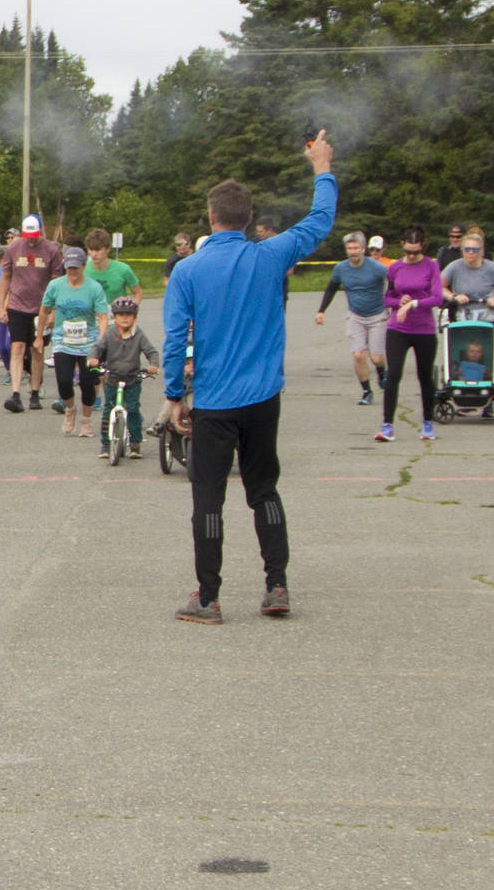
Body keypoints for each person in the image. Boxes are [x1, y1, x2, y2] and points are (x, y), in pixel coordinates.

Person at [162, 131, 335, 624]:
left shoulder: (188, 271)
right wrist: (321, 165)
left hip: (214, 402)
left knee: (208, 499)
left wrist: (176, 393)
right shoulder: (271, 254)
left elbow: (175, 341)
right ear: (248, 218)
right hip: (263, 398)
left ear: (211, 217)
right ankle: (276, 585)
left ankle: (209, 597)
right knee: (263, 490)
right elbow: (320, 220)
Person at [379, 224, 444, 443]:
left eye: (416, 252)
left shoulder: (431, 266)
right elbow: (386, 298)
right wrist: (399, 302)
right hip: (398, 328)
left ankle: (427, 422)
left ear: (423, 247)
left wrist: (414, 303)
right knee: (393, 374)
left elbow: (437, 298)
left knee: (424, 376)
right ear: (402, 247)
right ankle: (387, 425)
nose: (412, 256)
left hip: (423, 329)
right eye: (408, 252)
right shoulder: (395, 267)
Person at [40, 246, 113, 438]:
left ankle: (86, 420)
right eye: (69, 268)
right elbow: (44, 309)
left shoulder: (94, 287)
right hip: (63, 340)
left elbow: (103, 317)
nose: (72, 272)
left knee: (88, 383)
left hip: (88, 342)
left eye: (76, 267)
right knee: (64, 381)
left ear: (83, 266)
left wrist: (101, 343)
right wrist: (39, 336)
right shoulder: (55, 286)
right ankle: (70, 409)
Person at [314, 232, 390, 405]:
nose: (353, 251)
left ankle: (381, 371)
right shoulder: (341, 268)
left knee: (376, 358)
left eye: (356, 248)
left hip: (377, 315)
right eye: (350, 248)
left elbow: (392, 283)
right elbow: (331, 288)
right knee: (358, 355)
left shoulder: (376, 267)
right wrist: (321, 311)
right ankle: (366, 391)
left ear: (363, 249)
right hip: (355, 315)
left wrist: (391, 303)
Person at [0, 214, 58, 413]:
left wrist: (52, 312)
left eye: (34, 235)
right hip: (17, 305)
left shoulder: (52, 250)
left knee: (37, 349)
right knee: (17, 347)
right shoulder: (14, 248)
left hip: (41, 307)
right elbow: (5, 277)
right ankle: (15, 393)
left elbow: (57, 282)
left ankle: (34, 391)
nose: (31, 239)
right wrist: (1, 306)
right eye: (27, 235)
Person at [88, 297, 161, 460]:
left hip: (132, 378)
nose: (125, 318)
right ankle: (106, 444)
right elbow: (97, 348)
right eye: (121, 315)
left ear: (135, 317)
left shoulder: (139, 335)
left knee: (133, 409)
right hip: (113, 378)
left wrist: (153, 365)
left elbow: (151, 352)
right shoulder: (110, 334)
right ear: (115, 317)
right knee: (108, 410)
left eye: (129, 315)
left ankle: (135, 443)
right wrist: (93, 358)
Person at [442, 229, 494, 319]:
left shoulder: (492, 267)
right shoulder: (454, 266)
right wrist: (454, 296)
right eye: (467, 249)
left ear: (481, 251)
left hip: (488, 312)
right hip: (462, 313)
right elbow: (440, 285)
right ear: (462, 250)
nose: (470, 253)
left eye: (475, 250)